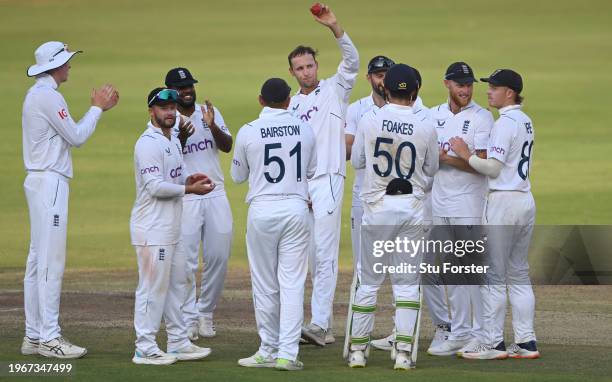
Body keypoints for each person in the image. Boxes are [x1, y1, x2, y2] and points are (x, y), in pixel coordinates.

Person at [21, 41, 118, 359]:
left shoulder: (38, 94)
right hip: (50, 182)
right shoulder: (48, 96)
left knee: (37, 262)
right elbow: (76, 136)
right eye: (66, 61)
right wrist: (98, 108)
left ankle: (34, 335)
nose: (70, 65)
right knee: (50, 262)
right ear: (54, 66)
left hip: (39, 180)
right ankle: (49, 338)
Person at [348, 64, 439, 369]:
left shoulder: (370, 118)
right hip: (411, 209)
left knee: (369, 282)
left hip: (376, 209)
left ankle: (358, 352)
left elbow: (358, 160)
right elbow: (431, 170)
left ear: (385, 90)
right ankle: (402, 354)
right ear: (415, 93)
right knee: (406, 284)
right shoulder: (426, 124)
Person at [450, 69, 540, 360]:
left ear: (509, 93)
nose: (488, 91)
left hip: (503, 202)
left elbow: (493, 168)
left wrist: (465, 154)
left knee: (492, 274)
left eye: (494, 87)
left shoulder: (505, 124)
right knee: (518, 273)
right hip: (525, 200)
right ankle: (526, 342)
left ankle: (493, 343)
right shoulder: (526, 122)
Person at [232, 78, 317, 371]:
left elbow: (237, 176)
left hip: (262, 211)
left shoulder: (248, 131)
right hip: (295, 208)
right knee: (292, 284)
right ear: (289, 100)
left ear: (260, 100)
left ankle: (268, 348)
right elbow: (312, 170)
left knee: (265, 284)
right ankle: (287, 354)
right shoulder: (305, 129)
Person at [288, 3, 359, 346]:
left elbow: (353, 62)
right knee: (310, 254)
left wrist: (335, 27)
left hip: (329, 178)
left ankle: (317, 324)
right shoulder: (289, 105)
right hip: (301, 186)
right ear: (292, 72)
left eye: (310, 65)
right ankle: (324, 326)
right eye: (299, 68)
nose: (306, 72)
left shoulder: (334, 89)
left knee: (325, 252)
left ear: (318, 66)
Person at [130, 87, 214, 365]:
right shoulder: (148, 143)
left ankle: (178, 341)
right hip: (152, 228)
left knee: (178, 283)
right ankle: (144, 347)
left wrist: (190, 178)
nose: (169, 112)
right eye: (163, 108)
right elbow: (154, 186)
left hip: (172, 226)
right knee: (152, 287)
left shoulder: (172, 139)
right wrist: (189, 190)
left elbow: (173, 177)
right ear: (151, 111)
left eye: (172, 108)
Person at [426, 62, 494, 356]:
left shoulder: (482, 118)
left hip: (469, 203)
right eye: (460, 85)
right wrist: (438, 159)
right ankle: (460, 331)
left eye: (469, 85)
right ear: (447, 84)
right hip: (439, 202)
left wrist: (447, 159)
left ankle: (481, 333)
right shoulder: (432, 116)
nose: (465, 90)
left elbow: (482, 166)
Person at [165, 67, 233, 340]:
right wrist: (180, 137)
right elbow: (167, 159)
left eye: (190, 86)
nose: (188, 91)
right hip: (188, 194)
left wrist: (212, 124)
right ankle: (189, 317)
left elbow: (227, 146)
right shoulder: (166, 119)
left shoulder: (208, 113)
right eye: (182, 88)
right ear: (171, 91)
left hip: (215, 192)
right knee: (187, 262)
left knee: (219, 256)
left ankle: (206, 313)